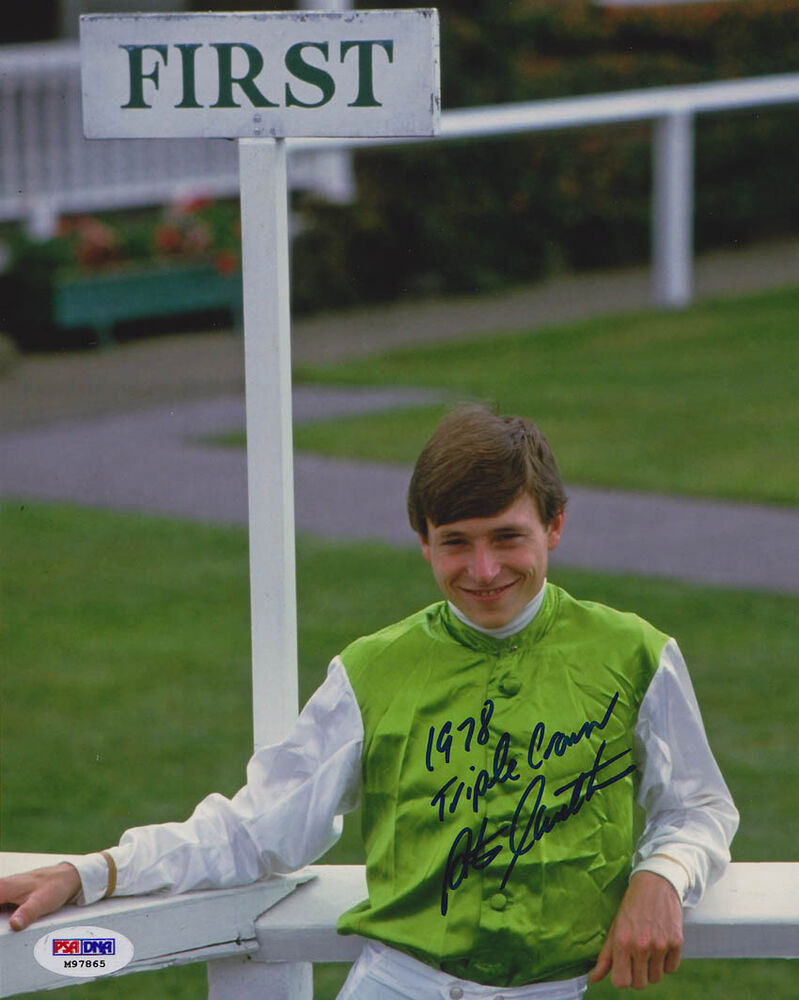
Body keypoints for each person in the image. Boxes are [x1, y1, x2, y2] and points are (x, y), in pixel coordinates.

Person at [1, 405, 738, 997]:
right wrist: (94, 872)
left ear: (554, 525)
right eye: (455, 542)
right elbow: (259, 830)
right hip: (398, 982)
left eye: (507, 537)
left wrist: (660, 877)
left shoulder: (633, 652)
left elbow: (699, 806)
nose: (483, 570)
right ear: (421, 541)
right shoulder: (373, 669)